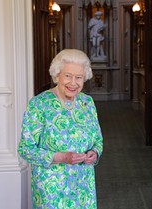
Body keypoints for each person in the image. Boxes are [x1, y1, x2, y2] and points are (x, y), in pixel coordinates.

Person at [18, 49, 103, 209]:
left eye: (79, 77)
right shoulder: (39, 104)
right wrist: (62, 157)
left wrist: (95, 152)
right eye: (68, 76)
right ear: (57, 75)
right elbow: (25, 149)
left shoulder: (87, 102)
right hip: (51, 188)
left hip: (84, 187)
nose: (73, 83)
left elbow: (98, 139)